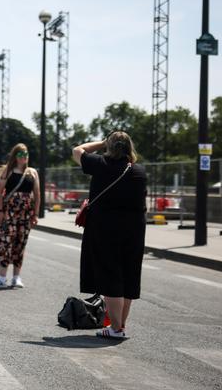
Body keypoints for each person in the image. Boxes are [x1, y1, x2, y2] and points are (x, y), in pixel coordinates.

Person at [72, 131, 147, 340]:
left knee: (111, 276)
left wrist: (102, 142)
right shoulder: (139, 171)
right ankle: (120, 325)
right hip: (134, 231)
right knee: (128, 276)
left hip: (105, 229)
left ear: (110, 147)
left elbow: (77, 150)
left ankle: (115, 328)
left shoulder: (101, 165)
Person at [0, 143, 40, 289]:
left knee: (20, 243)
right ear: (15, 156)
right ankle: (2, 278)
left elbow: (37, 194)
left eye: (26, 155)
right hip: (9, 213)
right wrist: (0, 211)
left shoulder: (32, 173)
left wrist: (35, 214)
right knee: (5, 242)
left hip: (26, 214)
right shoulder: (7, 171)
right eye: (21, 155)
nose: (24, 158)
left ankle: (16, 277)